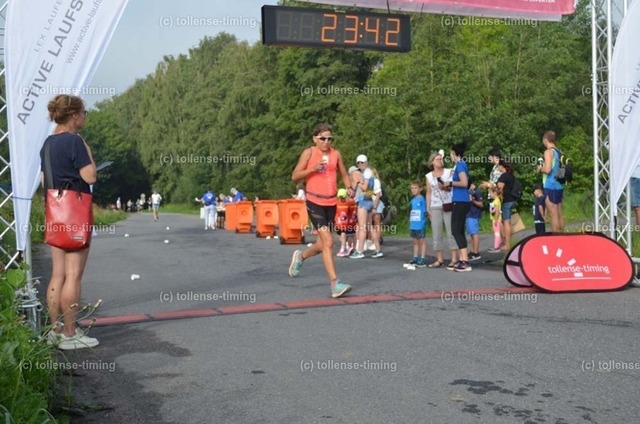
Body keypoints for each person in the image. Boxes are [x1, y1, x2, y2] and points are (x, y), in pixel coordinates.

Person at [40, 94, 99, 350]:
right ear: (74, 115)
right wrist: (88, 153)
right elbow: (91, 176)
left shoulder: (47, 143)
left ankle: (55, 330)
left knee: (58, 274)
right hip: (74, 213)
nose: (85, 117)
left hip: (55, 212)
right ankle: (70, 334)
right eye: (84, 112)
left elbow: (44, 180)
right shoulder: (75, 141)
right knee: (73, 275)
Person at [289, 123, 353, 298]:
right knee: (329, 242)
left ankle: (301, 257)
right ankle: (335, 284)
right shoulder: (309, 153)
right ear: (315, 139)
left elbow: (344, 174)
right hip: (314, 201)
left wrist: (349, 187)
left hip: (331, 203)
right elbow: (295, 175)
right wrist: (312, 169)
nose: (326, 142)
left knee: (321, 244)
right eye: (322, 138)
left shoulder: (336, 154)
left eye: (329, 139)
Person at [425, 151, 458, 268]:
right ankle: (439, 259)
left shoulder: (449, 172)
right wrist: (428, 207)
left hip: (448, 203)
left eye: (441, 159)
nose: (440, 161)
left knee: (451, 232)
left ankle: (454, 258)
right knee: (436, 232)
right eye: (437, 159)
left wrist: (445, 187)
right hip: (435, 205)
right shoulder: (429, 176)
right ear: (432, 162)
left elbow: (454, 187)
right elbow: (429, 192)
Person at [446, 143, 472, 272]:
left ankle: (465, 261)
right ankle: (462, 259)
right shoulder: (459, 165)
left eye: (451, 153)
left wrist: (450, 183)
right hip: (460, 200)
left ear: (454, 153)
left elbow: (464, 182)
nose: (450, 156)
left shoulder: (460, 165)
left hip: (461, 201)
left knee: (455, 230)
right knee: (459, 231)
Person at [537, 130, 565, 232]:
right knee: (559, 213)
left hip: (550, 185)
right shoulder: (559, 152)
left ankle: (556, 238)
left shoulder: (548, 152)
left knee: (553, 214)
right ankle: (562, 235)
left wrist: (540, 169)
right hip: (559, 185)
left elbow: (548, 169)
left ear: (545, 140)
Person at [350, 154, 375, 259]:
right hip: (369, 200)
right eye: (359, 163)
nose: (360, 164)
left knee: (362, 227)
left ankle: (360, 250)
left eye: (362, 162)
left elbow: (364, 187)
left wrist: (358, 181)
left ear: (366, 163)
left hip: (364, 201)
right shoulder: (367, 172)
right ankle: (377, 249)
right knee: (369, 226)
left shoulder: (367, 172)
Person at [496, 160, 516, 251]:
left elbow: (499, 189)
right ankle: (509, 242)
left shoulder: (503, 176)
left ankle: (507, 245)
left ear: (502, 166)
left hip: (506, 201)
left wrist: (490, 186)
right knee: (509, 222)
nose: (498, 168)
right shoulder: (511, 175)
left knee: (506, 222)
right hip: (512, 199)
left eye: (498, 166)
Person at [407, 180, 428, 267]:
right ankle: (415, 257)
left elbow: (425, 212)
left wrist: (424, 222)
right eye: (412, 188)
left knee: (422, 241)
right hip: (413, 224)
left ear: (420, 189)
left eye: (415, 188)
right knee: (415, 242)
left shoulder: (422, 199)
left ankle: (422, 258)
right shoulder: (412, 200)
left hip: (420, 224)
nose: (413, 190)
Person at [335, 188, 356, 257]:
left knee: (342, 233)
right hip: (348, 221)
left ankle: (343, 248)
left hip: (339, 222)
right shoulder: (349, 203)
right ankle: (348, 247)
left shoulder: (337, 203)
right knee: (350, 234)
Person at [369, 167, 384, 258]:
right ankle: (373, 241)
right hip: (371, 203)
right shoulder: (369, 182)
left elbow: (378, 195)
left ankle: (377, 242)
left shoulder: (376, 181)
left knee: (377, 223)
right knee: (371, 224)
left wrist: (375, 207)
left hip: (376, 203)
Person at [466, 182, 483, 261]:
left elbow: (481, 204)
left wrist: (473, 201)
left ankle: (476, 252)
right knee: (471, 234)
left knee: (474, 233)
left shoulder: (477, 192)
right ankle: (473, 251)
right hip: (469, 214)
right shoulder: (469, 192)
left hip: (474, 215)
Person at [489, 186, 503, 250]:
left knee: (496, 233)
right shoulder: (497, 200)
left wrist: (496, 220)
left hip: (496, 219)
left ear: (494, 193)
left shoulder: (496, 201)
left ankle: (496, 246)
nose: (490, 194)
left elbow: (497, 211)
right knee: (497, 232)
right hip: (496, 219)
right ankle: (499, 244)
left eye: (490, 193)